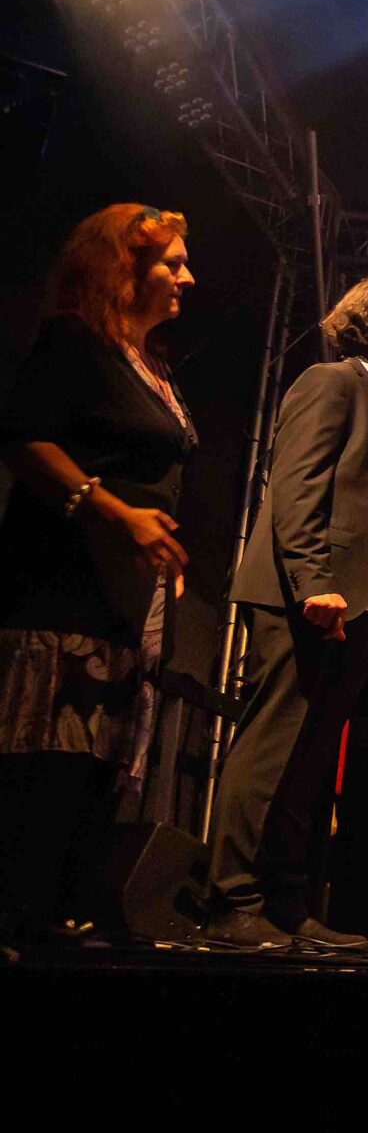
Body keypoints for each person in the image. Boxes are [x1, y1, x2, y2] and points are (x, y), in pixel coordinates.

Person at [209, 272, 368, 953]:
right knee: (271, 749)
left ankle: (285, 905)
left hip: (357, 609)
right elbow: (296, 485)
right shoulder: (333, 382)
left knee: (307, 764)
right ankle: (231, 899)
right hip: (305, 598)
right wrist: (314, 581)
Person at [0, 205, 196, 947]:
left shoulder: (154, 365)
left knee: (100, 762)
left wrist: (161, 550)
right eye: (172, 262)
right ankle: (18, 920)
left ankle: (57, 918)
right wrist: (112, 511)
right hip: (65, 579)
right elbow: (23, 437)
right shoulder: (76, 342)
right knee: (47, 753)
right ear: (124, 268)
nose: (187, 277)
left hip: (128, 593)